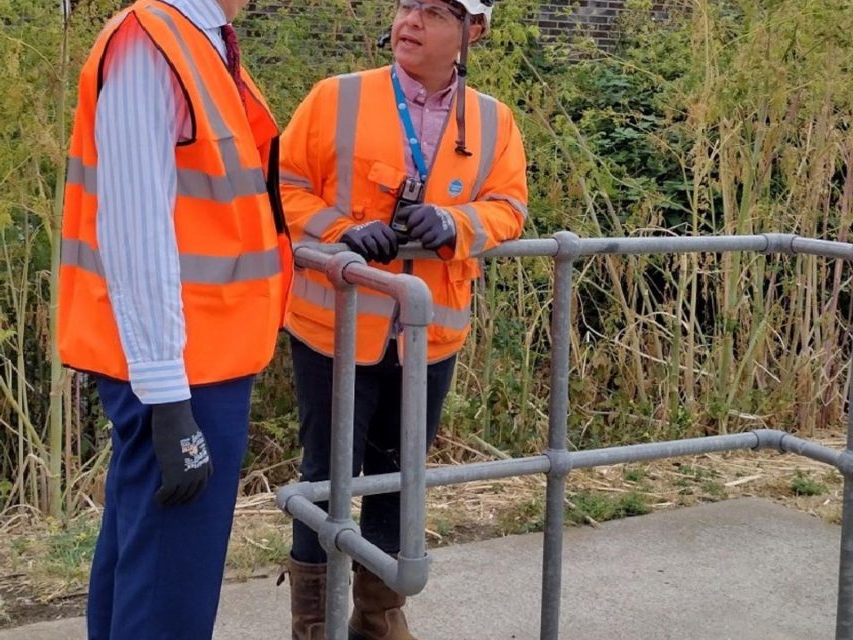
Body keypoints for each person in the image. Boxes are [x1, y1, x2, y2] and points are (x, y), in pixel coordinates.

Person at [277, 1, 527, 637]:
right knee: (326, 480)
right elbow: (282, 182)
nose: (409, 21)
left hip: (429, 336)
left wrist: (455, 223)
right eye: (404, 5)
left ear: (473, 31)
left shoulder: (495, 121)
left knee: (401, 477)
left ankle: (379, 619)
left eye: (434, 11)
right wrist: (342, 232)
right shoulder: (335, 98)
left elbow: (508, 206)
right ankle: (314, 625)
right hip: (335, 327)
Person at [57, 0, 291, 637]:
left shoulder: (202, 41)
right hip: (178, 367)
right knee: (170, 589)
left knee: (149, 561)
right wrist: (168, 398)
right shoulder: (152, 42)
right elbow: (134, 227)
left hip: (201, 359)